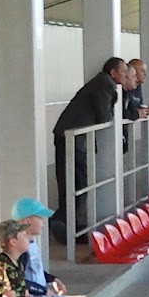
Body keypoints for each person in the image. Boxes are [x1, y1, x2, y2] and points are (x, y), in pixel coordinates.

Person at [10, 196, 103, 297]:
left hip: (42, 294)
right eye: (40, 218)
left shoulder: (31, 243)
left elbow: (37, 271)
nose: (43, 222)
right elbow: (19, 282)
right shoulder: (21, 250)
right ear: (27, 220)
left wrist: (53, 279)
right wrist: (43, 289)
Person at [52, 57, 134, 236]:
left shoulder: (103, 83)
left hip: (73, 138)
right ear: (113, 73)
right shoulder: (105, 84)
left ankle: (69, 225)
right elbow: (104, 116)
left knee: (76, 183)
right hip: (71, 138)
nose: (126, 75)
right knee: (76, 183)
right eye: (123, 72)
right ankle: (61, 223)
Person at [120, 59, 149, 151]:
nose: (145, 74)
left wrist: (146, 111)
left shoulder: (137, 87)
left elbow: (136, 107)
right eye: (142, 71)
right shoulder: (121, 90)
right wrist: (141, 112)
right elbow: (122, 112)